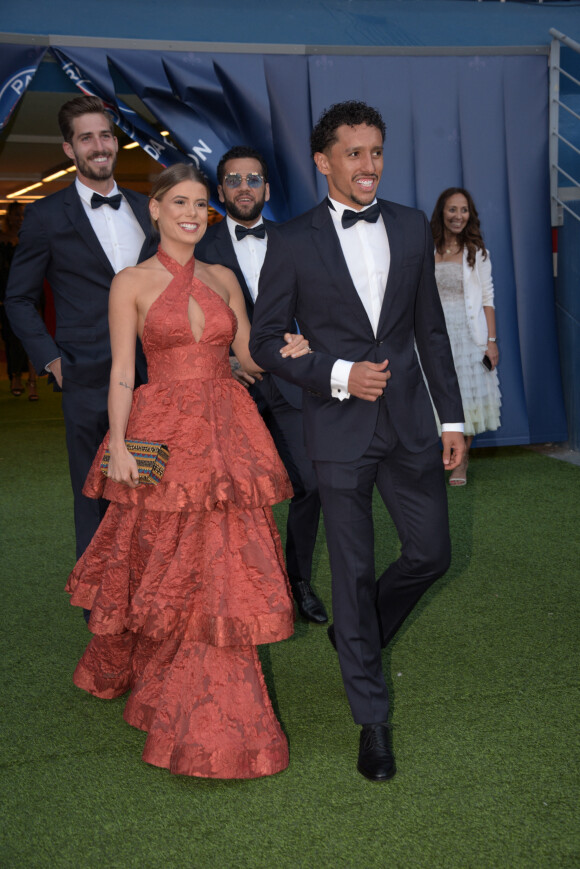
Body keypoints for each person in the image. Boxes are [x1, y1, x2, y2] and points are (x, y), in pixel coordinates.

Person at [65, 163, 311, 779]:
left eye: (202, 203)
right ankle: (152, 671)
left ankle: (207, 703)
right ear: (155, 209)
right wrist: (118, 442)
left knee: (217, 563)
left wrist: (300, 349)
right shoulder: (132, 282)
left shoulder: (224, 277)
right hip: (162, 434)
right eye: (180, 201)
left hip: (226, 432)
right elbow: (125, 370)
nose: (193, 213)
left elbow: (249, 355)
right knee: (158, 555)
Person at [250, 101, 465, 782]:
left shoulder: (406, 225)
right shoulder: (289, 240)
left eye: (375, 152)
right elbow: (262, 342)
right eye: (354, 153)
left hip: (409, 425)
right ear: (324, 160)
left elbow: (429, 330)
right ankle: (372, 721)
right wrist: (338, 372)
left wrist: (453, 420)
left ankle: (358, 633)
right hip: (338, 429)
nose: (368, 165)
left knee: (431, 552)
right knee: (352, 570)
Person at [4, 95, 156, 564]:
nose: (99, 145)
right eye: (86, 137)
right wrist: (52, 361)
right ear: (69, 149)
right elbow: (17, 298)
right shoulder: (46, 216)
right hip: (87, 376)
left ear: (115, 142)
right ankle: (101, 605)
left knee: (153, 486)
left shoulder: (147, 207)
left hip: (155, 374)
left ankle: (152, 590)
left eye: (105, 135)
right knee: (94, 491)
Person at [196, 146, 327, 625]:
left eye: (253, 179)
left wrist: (308, 337)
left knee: (308, 484)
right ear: (220, 191)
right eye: (234, 179)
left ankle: (296, 583)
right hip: (227, 387)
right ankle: (231, 591)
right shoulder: (198, 247)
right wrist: (222, 359)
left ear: (267, 190)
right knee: (228, 495)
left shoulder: (296, 240)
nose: (244, 187)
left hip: (290, 384)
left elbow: (322, 304)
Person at [430, 188, 501, 485]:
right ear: (442, 213)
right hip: (434, 336)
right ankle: (440, 457)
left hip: (469, 337)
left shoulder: (478, 253)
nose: (458, 216)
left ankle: (462, 461)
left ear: (470, 215)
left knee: (466, 400)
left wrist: (491, 342)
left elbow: (487, 299)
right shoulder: (428, 249)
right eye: (452, 209)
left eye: (464, 210)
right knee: (436, 397)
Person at [0, 203, 39, 400]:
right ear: (8, 218)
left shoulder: (32, 237)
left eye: (21, 215)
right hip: (8, 297)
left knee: (33, 336)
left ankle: (32, 382)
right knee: (12, 338)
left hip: (33, 295)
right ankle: (15, 377)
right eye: (15, 215)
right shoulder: (2, 240)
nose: (18, 219)